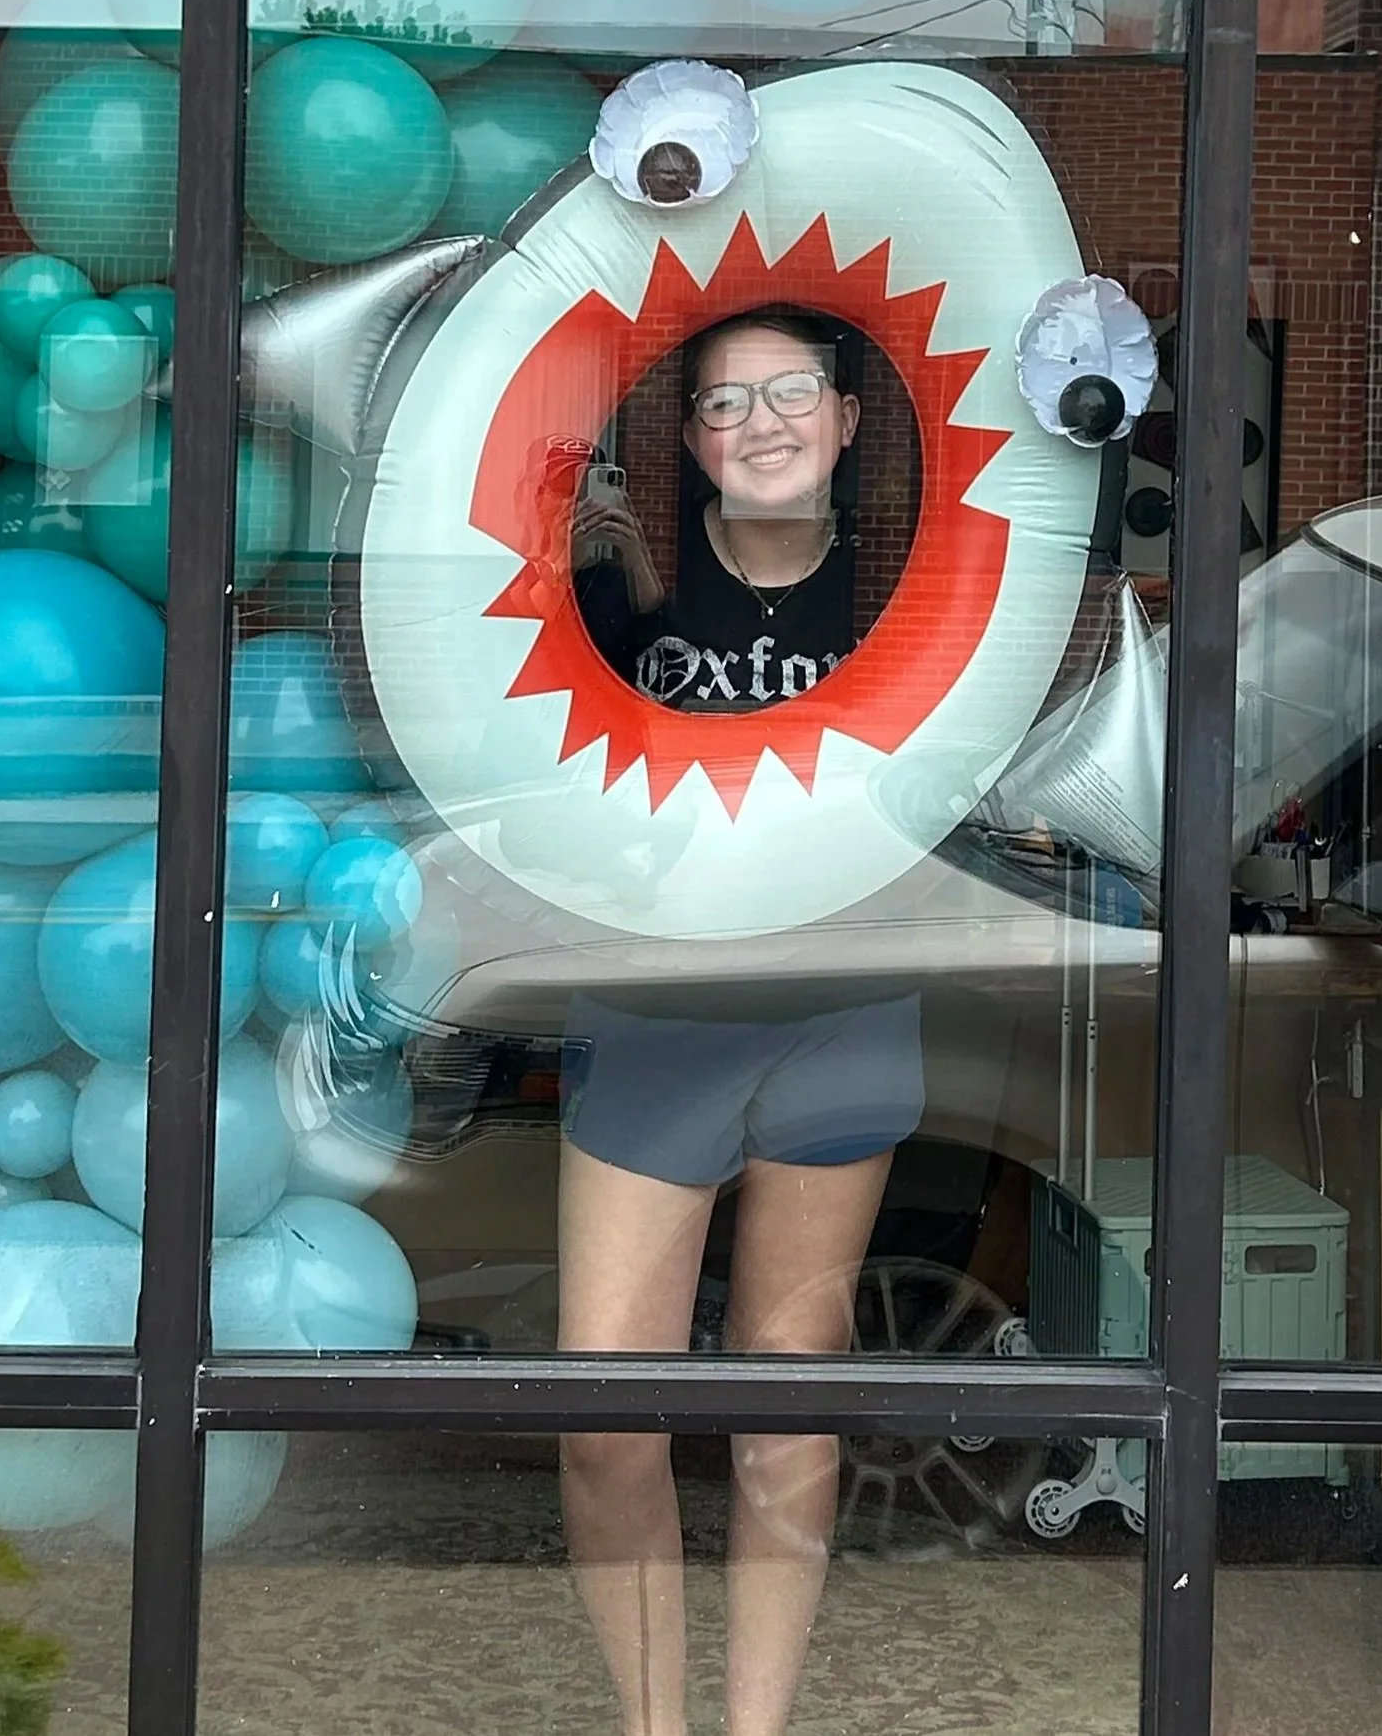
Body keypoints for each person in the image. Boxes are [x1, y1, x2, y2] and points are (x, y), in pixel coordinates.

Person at [559, 309, 924, 1736]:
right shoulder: (617, 599)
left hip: (840, 1021)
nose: (758, 423)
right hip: (653, 1021)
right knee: (600, 1418)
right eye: (721, 404)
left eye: (789, 395)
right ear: (692, 441)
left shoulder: (915, 601)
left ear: (843, 422)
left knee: (787, 1416)